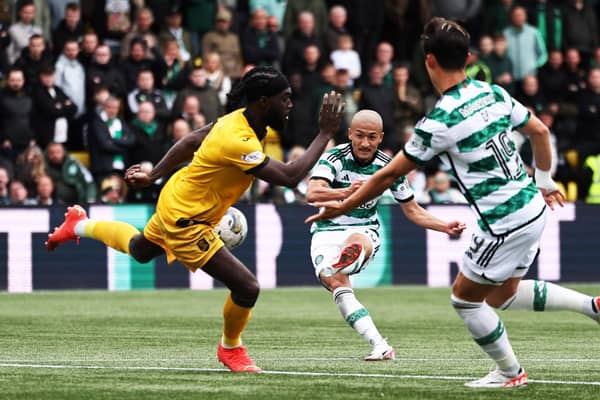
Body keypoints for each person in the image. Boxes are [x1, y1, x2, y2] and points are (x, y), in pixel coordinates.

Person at [307, 17, 600, 388]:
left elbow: (385, 176)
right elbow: (540, 131)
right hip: (532, 205)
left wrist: (342, 206)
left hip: (502, 220)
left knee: (465, 299)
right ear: (468, 58)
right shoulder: (492, 92)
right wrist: (543, 180)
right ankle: (592, 308)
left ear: (429, 61)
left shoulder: (438, 122)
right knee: (502, 295)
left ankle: (510, 373)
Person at [45, 66, 345, 373]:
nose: (290, 104)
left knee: (140, 249)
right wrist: (325, 133)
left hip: (179, 195)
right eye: (285, 99)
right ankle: (231, 348)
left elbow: (191, 140)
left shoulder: (237, 120)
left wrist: (154, 175)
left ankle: (78, 224)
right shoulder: (237, 139)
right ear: (264, 102)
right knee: (247, 287)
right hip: (188, 221)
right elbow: (290, 175)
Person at [307, 109, 465, 361]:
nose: (365, 143)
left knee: (356, 243)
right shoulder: (334, 158)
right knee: (338, 285)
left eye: (371, 137)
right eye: (359, 136)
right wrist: (346, 192)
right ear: (350, 134)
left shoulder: (389, 168)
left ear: (380, 137)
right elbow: (313, 192)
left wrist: (444, 226)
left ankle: (348, 257)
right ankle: (380, 345)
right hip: (325, 231)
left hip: (363, 228)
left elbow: (412, 210)